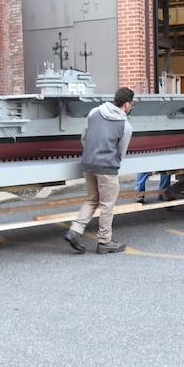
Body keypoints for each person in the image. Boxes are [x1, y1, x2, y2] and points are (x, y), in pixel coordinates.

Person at [64, 87, 134, 255]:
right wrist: (112, 162)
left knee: (92, 199)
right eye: (131, 104)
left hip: (88, 163)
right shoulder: (125, 126)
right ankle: (104, 241)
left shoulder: (94, 112)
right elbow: (121, 152)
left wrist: (91, 154)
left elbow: (84, 137)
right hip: (107, 168)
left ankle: (75, 230)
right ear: (126, 105)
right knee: (107, 204)